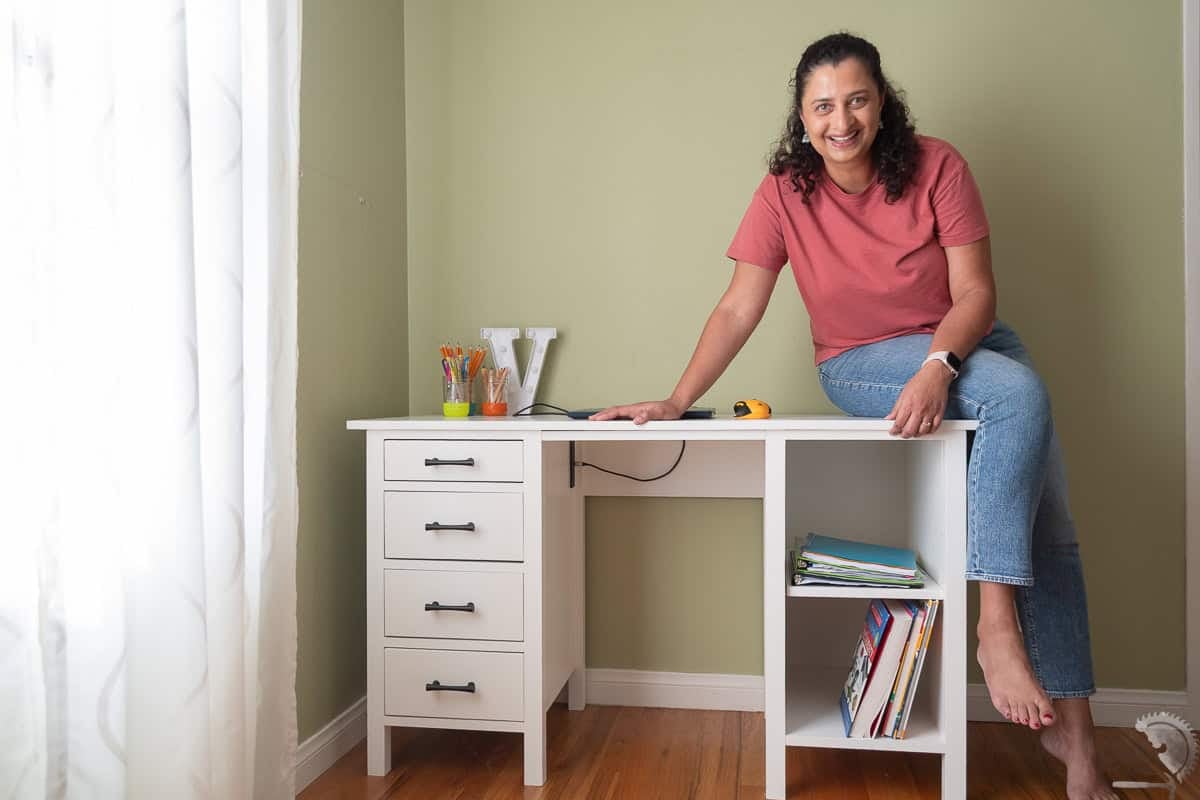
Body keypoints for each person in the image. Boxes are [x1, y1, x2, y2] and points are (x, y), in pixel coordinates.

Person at [592, 32, 1117, 800]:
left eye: (857, 100)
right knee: (1017, 395)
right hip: (862, 359)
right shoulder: (784, 191)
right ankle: (995, 627)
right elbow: (741, 304)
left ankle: (1080, 754)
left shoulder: (939, 165)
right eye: (823, 107)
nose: (842, 120)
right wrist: (676, 399)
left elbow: (976, 296)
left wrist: (940, 365)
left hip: (965, 347)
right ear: (803, 120)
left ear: (883, 103)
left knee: (1051, 523)